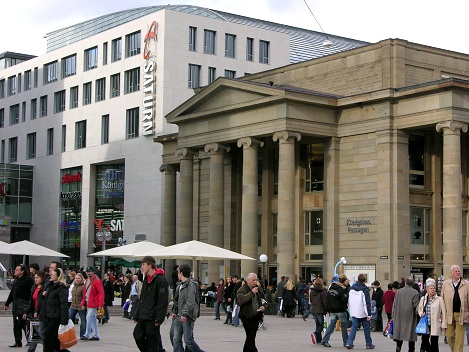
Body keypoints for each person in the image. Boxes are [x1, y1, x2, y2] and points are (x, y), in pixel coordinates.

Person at [133, 256, 169, 352]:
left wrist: (159, 318)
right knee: (137, 335)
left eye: (143, 264)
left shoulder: (160, 280)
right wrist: (136, 315)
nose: (142, 267)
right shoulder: (146, 279)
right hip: (143, 315)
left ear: (150, 265)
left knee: (152, 341)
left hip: (152, 316)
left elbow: (163, 301)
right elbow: (142, 299)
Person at [171, 263, 204, 352]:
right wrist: (174, 311)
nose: (177, 274)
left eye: (178, 272)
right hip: (178, 315)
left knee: (188, 340)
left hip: (187, 316)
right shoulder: (180, 285)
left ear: (181, 273)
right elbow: (177, 300)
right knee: (176, 338)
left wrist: (184, 314)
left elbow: (190, 301)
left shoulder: (191, 285)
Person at [4, 264, 34, 348]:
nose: (15, 271)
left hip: (24, 304)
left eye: (17, 270)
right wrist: (7, 303)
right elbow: (12, 292)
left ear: (22, 271)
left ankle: (30, 340)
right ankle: (18, 341)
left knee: (23, 323)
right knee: (16, 324)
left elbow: (32, 292)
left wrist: (31, 304)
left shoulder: (28, 280)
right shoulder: (16, 280)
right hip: (16, 305)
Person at [441, 264, 469, 352]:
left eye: (459, 271)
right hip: (449, 314)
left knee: (460, 338)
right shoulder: (446, 284)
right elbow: (441, 299)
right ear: (451, 273)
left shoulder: (466, 284)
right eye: (456, 271)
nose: (458, 273)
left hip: (462, 314)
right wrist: (441, 313)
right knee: (449, 336)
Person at [237, 273, 267, 352]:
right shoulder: (242, 289)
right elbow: (240, 301)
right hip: (246, 316)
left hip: (256, 315)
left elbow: (264, 300)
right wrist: (251, 293)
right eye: (253, 280)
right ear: (248, 281)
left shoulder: (258, 289)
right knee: (250, 335)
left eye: (256, 280)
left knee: (252, 336)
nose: (255, 282)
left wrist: (264, 307)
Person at [42, 268, 69, 352]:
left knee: (49, 339)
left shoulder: (62, 288)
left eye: (53, 275)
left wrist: (64, 321)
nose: (51, 276)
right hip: (48, 315)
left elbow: (64, 305)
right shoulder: (50, 286)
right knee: (55, 341)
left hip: (55, 316)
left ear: (58, 276)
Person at [346, 273, 375, 350]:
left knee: (354, 327)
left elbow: (349, 301)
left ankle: (349, 342)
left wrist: (351, 310)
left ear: (357, 280)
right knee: (366, 328)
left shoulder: (351, 289)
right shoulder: (365, 290)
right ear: (364, 281)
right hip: (363, 312)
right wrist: (369, 314)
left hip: (354, 311)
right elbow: (366, 303)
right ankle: (368, 343)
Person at [320, 274, 350, 348]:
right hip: (340, 309)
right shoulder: (342, 289)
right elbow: (344, 299)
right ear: (343, 281)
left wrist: (328, 309)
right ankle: (346, 342)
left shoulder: (331, 287)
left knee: (331, 325)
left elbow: (328, 299)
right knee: (343, 326)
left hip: (332, 310)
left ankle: (325, 340)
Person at [417, 278, 447, 352]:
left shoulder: (439, 299)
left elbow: (444, 312)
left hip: (435, 323)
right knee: (425, 341)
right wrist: (421, 313)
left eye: (434, 288)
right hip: (425, 324)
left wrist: (444, 324)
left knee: (434, 343)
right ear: (427, 289)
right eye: (431, 288)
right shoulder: (423, 299)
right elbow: (419, 309)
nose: (433, 290)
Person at [392, 277, 420, 352]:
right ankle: (411, 349)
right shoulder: (415, 292)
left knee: (400, 332)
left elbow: (394, 304)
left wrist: (393, 315)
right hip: (410, 315)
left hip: (399, 315)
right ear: (412, 283)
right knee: (411, 333)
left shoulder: (399, 291)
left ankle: (398, 346)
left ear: (405, 283)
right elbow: (416, 305)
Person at [23, 270, 47, 352]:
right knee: (34, 333)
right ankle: (31, 350)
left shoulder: (45, 287)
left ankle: (47, 347)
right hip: (34, 313)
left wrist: (37, 311)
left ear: (42, 278)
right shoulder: (34, 287)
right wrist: (26, 312)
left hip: (42, 313)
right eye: (35, 278)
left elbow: (42, 301)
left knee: (41, 331)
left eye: (38, 278)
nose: (36, 279)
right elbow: (31, 301)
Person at [80, 266, 104, 341]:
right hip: (89, 301)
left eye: (89, 271)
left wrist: (100, 304)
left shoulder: (97, 281)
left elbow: (101, 293)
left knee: (89, 317)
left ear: (93, 272)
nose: (88, 273)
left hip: (93, 302)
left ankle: (87, 334)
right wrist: (83, 303)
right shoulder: (87, 280)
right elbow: (85, 293)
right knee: (93, 319)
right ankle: (96, 335)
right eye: (87, 271)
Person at [309, 277, 327, 344]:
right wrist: (327, 310)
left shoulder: (312, 290)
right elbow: (324, 302)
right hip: (320, 310)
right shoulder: (323, 291)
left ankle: (318, 339)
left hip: (313, 309)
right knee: (321, 325)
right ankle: (315, 333)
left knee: (318, 324)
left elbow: (311, 300)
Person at [69, 273, 86, 339]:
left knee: (83, 320)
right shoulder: (73, 286)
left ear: (81, 279)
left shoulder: (83, 286)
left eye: (78, 278)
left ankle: (82, 335)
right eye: (76, 278)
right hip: (73, 305)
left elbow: (84, 296)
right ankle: (67, 333)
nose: (77, 280)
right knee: (68, 319)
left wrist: (83, 304)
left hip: (80, 306)